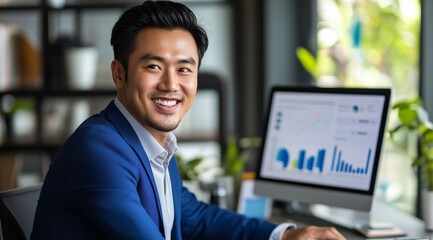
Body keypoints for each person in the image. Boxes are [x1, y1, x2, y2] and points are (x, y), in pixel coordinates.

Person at [31, 1, 346, 239]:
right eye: (153, 67)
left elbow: (194, 217)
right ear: (119, 73)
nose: (171, 84)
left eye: (184, 69)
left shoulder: (151, 144)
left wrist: (285, 235)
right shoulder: (100, 149)